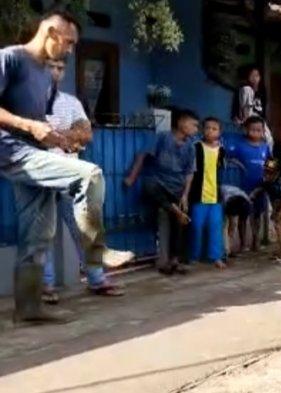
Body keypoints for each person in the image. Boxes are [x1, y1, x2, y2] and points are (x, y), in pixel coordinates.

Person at [0, 12, 134, 323]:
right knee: (90, 174)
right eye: (69, 43)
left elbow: (41, 122)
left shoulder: (45, 75)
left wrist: (61, 138)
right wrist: (29, 126)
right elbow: (28, 123)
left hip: (34, 154)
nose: (70, 51)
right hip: (10, 151)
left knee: (37, 234)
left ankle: (29, 310)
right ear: (50, 31)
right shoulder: (10, 59)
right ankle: (95, 253)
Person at [42, 59, 124, 303]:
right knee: (41, 232)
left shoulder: (71, 102)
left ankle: (96, 279)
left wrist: (53, 135)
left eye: (59, 67)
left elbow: (86, 134)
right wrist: (68, 136)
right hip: (38, 174)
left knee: (84, 226)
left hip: (70, 174)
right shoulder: (24, 101)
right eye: (49, 66)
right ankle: (44, 285)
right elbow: (26, 133)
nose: (55, 71)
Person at [124, 109, 198, 275]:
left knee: (179, 222)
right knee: (150, 186)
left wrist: (185, 195)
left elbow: (189, 173)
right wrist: (132, 177)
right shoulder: (162, 137)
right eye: (193, 124)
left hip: (176, 189)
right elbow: (142, 155)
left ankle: (174, 260)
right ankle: (175, 210)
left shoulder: (190, 147)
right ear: (180, 123)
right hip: (158, 184)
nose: (195, 129)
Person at [227, 115, 272, 251]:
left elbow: (270, 163)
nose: (256, 133)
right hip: (242, 186)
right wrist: (236, 163)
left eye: (259, 130)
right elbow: (228, 159)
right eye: (253, 130)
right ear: (245, 129)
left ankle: (256, 240)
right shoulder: (239, 145)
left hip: (259, 186)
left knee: (257, 214)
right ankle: (243, 243)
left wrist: (269, 175)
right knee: (243, 215)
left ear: (263, 131)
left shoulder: (265, 146)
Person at [189, 117, 226, 269]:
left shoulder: (221, 150)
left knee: (215, 227)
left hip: (215, 196)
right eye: (207, 128)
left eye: (214, 128)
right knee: (196, 226)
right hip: (198, 195)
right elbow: (190, 171)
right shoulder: (196, 147)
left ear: (219, 132)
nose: (210, 131)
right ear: (202, 130)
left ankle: (215, 256)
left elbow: (221, 171)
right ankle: (193, 256)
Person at [232, 65, 273, 147]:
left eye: (257, 75)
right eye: (252, 75)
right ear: (246, 77)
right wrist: (248, 124)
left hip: (257, 121)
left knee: (268, 141)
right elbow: (247, 111)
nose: (255, 78)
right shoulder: (246, 89)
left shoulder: (260, 92)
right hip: (248, 122)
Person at [221, 184, 252, 258]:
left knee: (231, 226)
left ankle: (228, 249)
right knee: (230, 226)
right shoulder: (227, 194)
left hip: (234, 200)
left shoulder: (246, 202)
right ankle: (227, 249)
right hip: (235, 200)